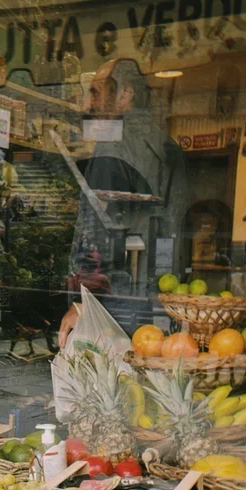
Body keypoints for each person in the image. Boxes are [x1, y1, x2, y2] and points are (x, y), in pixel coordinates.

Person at [59, 58, 188, 348]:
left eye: (96, 92)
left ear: (125, 94)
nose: (87, 105)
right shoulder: (168, 148)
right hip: (160, 297)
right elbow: (178, 222)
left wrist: (82, 304)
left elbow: (95, 233)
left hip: (113, 301)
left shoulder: (113, 143)